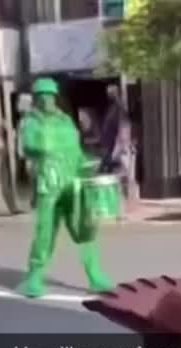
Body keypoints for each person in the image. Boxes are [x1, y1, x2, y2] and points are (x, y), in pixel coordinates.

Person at [19, 77, 113, 298]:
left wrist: (87, 164)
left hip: (73, 181)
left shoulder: (66, 121)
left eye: (50, 95)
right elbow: (29, 147)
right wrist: (47, 149)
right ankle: (35, 276)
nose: (47, 100)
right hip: (48, 184)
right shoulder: (30, 122)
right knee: (45, 232)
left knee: (86, 228)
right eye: (42, 96)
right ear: (36, 99)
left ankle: (95, 275)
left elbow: (76, 149)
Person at [99, 85, 124, 174]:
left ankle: (104, 167)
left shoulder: (117, 105)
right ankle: (106, 167)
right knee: (108, 149)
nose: (108, 95)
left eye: (110, 93)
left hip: (111, 130)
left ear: (114, 93)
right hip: (109, 130)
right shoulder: (114, 105)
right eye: (108, 93)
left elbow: (118, 118)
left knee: (107, 149)